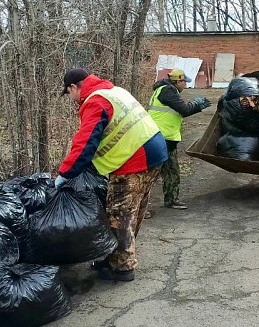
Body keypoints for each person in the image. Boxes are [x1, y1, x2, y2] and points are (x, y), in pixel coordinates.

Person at [56, 68, 168, 282]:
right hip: (155, 150)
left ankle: (121, 267)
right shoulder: (114, 91)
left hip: (135, 158)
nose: (70, 99)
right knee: (135, 208)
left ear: (73, 87)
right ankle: (123, 252)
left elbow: (85, 144)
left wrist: (65, 174)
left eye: (68, 93)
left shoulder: (95, 101)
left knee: (119, 213)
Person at [147, 69, 211, 210]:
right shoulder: (167, 91)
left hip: (166, 140)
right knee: (150, 176)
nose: (186, 85)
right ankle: (142, 207)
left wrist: (196, 106)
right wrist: (197, 105)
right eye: (184, 82)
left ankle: (171, 200)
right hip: (159, 140)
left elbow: (180, 110)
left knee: (172, 172)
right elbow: (184, 109)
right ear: (177, 82)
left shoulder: (166, 91)